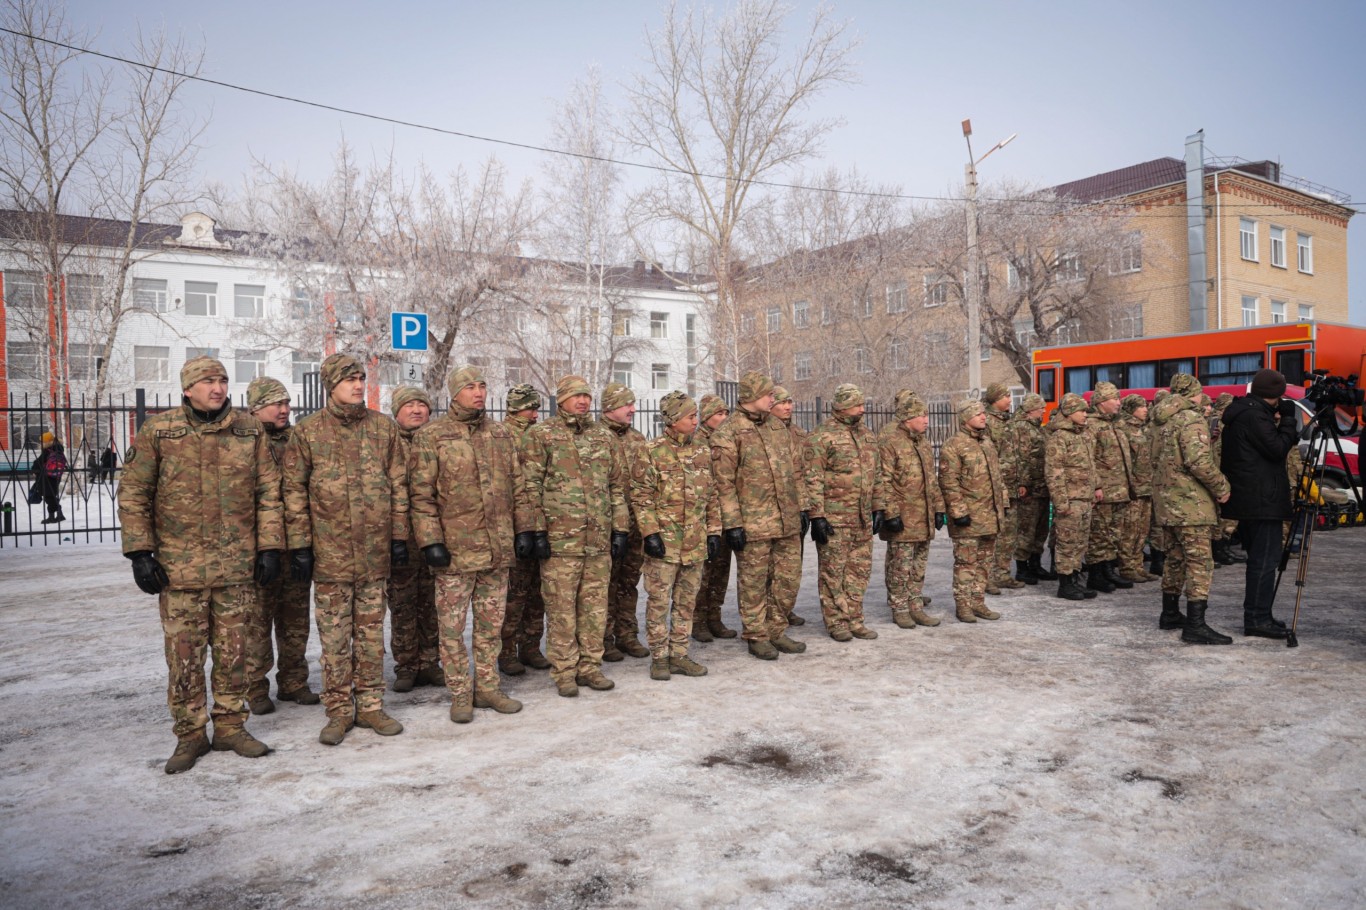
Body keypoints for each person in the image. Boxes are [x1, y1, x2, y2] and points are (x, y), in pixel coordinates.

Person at [118, 355, 283, 773]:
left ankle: (230, 726)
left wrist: (270, 547)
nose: (218, 388)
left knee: (235, 654)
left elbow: (268, 491)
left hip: (236, 566)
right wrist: (140, 553)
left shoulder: (249, 430)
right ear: (188, 388)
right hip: (180, 568)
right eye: (208, 381)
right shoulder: (160, 431)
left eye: (222, 380)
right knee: (184, 658)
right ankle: (190, 734)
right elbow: (134, 491)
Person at [283, 353, 408, 745]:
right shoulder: (308, 432)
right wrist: (300, 545)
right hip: (330, 555)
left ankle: (370, 705)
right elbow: (293, 492)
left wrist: (399, 536)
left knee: (370, 636)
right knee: (335, 640)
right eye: (348, 380)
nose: (357, 386)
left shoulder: (383, 429)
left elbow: (399, 485)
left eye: (360, 379)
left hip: (374, 553)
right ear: (330, 386)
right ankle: (338, 710)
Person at [409, 366, 529, 722]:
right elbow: (421, 495)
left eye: (482, 386)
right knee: (451, 629)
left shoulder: (500, 434)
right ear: (454, 392)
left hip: (497, 549)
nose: (478, 392)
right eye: (470, 387)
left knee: (491, 627)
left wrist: (524, 529)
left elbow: (519, 487)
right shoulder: (433, 436)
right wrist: (431, 540)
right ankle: (460, 692)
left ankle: (488, 687)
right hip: (455, 552)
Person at [520, 375, 630, 697]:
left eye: (587, 396)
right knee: (562, 612)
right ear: (561, 399)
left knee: (595, 610)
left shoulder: (604, 436)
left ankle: (590, 667)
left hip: (598, 542)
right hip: (560, 544)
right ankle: (565, 671)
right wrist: (538, 531)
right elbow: (530, 486)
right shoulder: (541, 435)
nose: (583, 401)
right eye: (576, 396)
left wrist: (620, 528)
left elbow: (616, 487)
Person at [709, 370, 807, 660]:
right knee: (753, 583)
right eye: (768, 394)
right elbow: (723, 483)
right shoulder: (728, 432)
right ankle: (756, 634)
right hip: (753, 523)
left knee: (787, 579)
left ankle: (776, 629)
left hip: (787, 520)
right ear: (752, 396)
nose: (773, 398)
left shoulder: (777, 427)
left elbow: (796, 470)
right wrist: (732, 523)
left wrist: (803, 506)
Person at [631, 391, 720, 680]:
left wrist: (714, 531)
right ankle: (659, 657)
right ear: (672, 419)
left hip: (694, 542)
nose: (695, 421)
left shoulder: (702, 451)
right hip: (664, 544)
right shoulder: (650, 451)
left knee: (686, 602)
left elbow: (712, 495)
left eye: (696, 416)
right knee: (658, 602)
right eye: (690, 416)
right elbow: (641, 497)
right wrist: (650, 533)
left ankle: (679, 654)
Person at [244, 376, 319, 715]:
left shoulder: (297, 440)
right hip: (259, 550)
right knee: (257, 622)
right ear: (256, 408)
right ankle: (255, 688)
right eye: (277, 404)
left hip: (297, 545)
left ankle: (293, 682)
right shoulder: (242, 440)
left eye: (287, 403)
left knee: (295, 621)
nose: (285, 410)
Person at [1218, 368, 1299, 639]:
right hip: (1262, 499)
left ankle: (1261, 614)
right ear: (1276, 394)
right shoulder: (1254, 416)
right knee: (1265, 561)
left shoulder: (1245, 412)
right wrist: (1288, 421)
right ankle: (1257, 619)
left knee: (1261, 560)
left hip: (1252, 497)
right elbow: (1277, 449)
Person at [1151, 373, 1231, 643]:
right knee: (1199, 562)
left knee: (1175, 557)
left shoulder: (1160, 420)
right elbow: (1198, 462)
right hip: (1190, 503)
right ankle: (1196, 625)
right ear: (1194, 393)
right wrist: (1222, 487)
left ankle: (1170, 613)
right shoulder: (1191, 418)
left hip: (1166, 501)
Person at [804, 382, 882, 641]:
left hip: (862, 518)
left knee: (859, 572)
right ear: (843, 406)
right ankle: (836, 621)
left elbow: (877, 475)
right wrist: (817, 516)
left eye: (862, 404)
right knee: (833, 573)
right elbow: (812, 478)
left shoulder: (867, 435)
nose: (862, 409)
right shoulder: (822, 436)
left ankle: (855, 619)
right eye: (857, 404)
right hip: (835, 519)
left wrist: (878, 506)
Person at [387, 386, 443, 692]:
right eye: (409, 405)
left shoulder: (438, 439)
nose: (417, 410)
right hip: (401, 538)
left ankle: (430, 662)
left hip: (434, 536)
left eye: (422, 405)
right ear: (397, 411)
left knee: (432, 603)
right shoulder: (387, 442)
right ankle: (406, 665)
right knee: (403, 603)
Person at [877, 390, 943, 628]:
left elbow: (931, 479)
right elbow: (883, 481)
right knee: (900, 565)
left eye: (926, 415)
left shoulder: (922, 442)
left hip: (923, 516)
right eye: (921, 416)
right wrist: (891, 513)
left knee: (918, 565)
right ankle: (900, 608)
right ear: (907, 419)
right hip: (904, 517)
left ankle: (915, 605)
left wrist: (938, 507)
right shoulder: (890, 441)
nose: (926, 420)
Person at [938, 399, 1008, 623]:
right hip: (968, 517)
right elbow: (948, 482)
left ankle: (978, 602)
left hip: (990, 515)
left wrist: (1003, 503)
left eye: (983, 413)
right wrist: (959, 512)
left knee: (984, 563)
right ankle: (964, 606)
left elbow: (997, 477)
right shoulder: (954, 445)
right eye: (978, 414)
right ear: (966, 417)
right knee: (966, 564)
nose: (983, 417)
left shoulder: (987, 442)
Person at [500, 383, 550, 674]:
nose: (534, 413)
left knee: (536, 593)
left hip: (541, 522)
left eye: (536, 408)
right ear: (516, 408)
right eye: (530, 408)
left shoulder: (540, 435)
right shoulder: (502, 435)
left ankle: (531, 647)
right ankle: (507, 653)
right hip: (515, 526)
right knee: (513, 596)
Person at [599, 382, 650, 662]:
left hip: (634, 527)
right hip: (607, 527)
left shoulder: (637, 439)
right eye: (627, 404)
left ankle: (627, 635)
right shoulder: (595, 437)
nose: (633, 409)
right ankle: (604, 639)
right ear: (610, 407)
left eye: (633, 403)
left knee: (629, 583)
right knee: (605, 585)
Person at [691, 394, 738, 643]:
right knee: (704, 572)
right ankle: (697, 620)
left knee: (721, 569)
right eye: (719, 414)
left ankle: (714, 616)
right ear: (706, 417)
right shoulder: (696, 442)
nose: (724, 418)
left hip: (726, 513)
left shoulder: (727, 439)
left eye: (726, 413)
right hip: (705, 517)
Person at [1044, 393, 1099, 601]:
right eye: (1081, 411)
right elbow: (1054, 473)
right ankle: (1065, 584)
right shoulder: (1059, 437)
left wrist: (1095, 488)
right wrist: (1061, 502)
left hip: (1084, 498)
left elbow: (1090, 465)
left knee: (1080, 542)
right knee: (1067, 543)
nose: (1085, 414)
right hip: (1070, 500)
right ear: (1069, 413)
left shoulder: (1083, 435)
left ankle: (1075, 579)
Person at [1083, 381, 1135, 593]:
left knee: (1113, 532)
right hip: (1104, 490)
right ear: (1102, 402)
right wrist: (1096, 485)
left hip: (1120, 489)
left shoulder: (1115, 424)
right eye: (1114, 399)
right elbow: (1089, 459)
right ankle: (1095, 575)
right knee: (1099, 533)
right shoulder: (1091, 425)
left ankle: (1108, 570)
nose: (1118, 402)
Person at [770, 386, 809, 627]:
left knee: (792, 565)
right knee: (769, 567)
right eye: (782, 403)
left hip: (795, 509)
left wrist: (805, 507)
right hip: (771, 511)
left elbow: (805, 473)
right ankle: (769, 612)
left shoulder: (799, 435)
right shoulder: (762, 433)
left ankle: (785, 608)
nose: (787, 407)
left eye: (789, 402)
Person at [1006, 394, 1053, 585]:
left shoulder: (1037, 428)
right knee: (1027, 529)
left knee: (1041, 529)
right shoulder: (1021, 428)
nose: (1043, 411)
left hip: (1042, 487)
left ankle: (1035, 564)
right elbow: (1021, 458)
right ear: (1031, 409)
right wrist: (1023, 483)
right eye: (1041, 408)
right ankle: (1022, 568)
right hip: (1030, 489)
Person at [982, 382, 1024, 593]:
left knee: (1009, 534)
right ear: (995, 399)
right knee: (994, 534)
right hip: (997, 488)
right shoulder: (987, 422)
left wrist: (1020, 481)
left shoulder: (1009, 421)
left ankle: (1002, 574)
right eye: (1005, 396)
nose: (1009, 399)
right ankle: (987, 577)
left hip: (1013, 486)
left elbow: (1015, 455)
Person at [1116, 394, 1158, 584]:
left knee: (1142, 530)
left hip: (1146, 487)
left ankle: (1138, 566)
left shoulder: (1142, 429)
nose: (1145, 410)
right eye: (1141, 406)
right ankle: (1127, 567)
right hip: (1133, 490)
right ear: (1132, 409)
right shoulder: (1123, 429)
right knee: (1130, 530)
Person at [32, 431, 67, 524]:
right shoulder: (58, 449)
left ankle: (55, 515)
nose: (41, 443)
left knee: (48, 496)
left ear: (46, 442)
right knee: (50, 496)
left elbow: (38, 463)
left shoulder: (48, 450)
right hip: (55, 476)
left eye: (42, 441)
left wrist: (34, 469)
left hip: (46, 477)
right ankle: (56, 515)